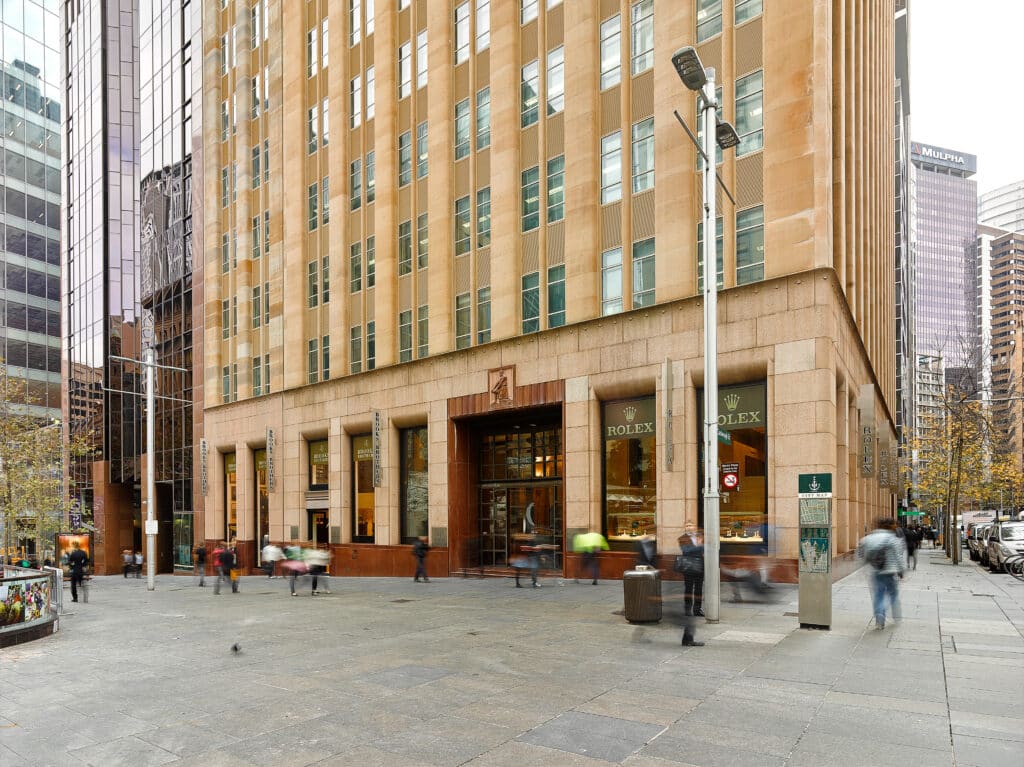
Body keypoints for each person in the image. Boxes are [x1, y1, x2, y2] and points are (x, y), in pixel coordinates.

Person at [857, 517, 906, 629]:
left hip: (875, 570)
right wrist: (901, 570)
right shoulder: (893, 539)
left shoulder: (867, 539)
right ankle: (896, 616)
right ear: (890, 526)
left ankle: (879, 615)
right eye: (894, 524)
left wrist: (862, 568)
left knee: (878, 594)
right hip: (890, 570)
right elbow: (898, 556)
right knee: (893, 594)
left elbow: (860, 555)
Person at [677, 530, 705, 647]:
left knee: (698, 589)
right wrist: (701, 546)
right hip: (688, 568)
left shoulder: (700, 536)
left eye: (691, 525)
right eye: (687, 525)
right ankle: (688, 606)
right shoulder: (683, 538)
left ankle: (697, 609)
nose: (690, 527)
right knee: (688, 590)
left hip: (699, 568)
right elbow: (686, 550)